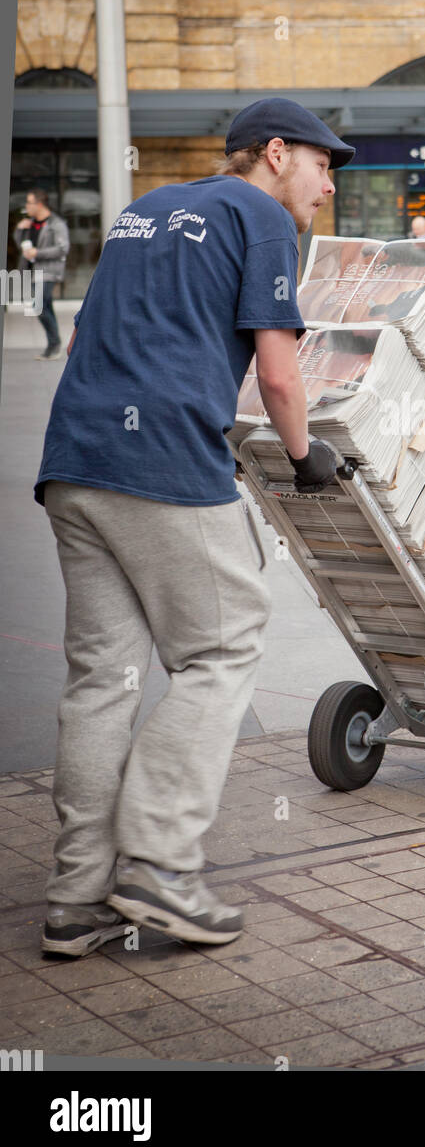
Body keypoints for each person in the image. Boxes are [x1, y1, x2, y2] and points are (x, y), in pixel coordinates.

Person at [34, 96, 355, 958]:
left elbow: (88, 341)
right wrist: (307, 455)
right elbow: (283, 378)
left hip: (74, 462)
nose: (328, 187)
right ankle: (162, 866)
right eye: (327, 167)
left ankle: (76, 901)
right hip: (165, 464)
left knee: (102, 680)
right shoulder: (260, 219)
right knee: (222, 648)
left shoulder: (141, 214)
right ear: (277, 154)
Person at [13, 188, 70, 360]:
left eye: (29, 203)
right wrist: (19, 229)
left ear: (39, 204)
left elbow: (62, 249)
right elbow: (21, 245)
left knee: (40, 306)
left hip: (48, 272)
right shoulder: (30, 223)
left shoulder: (56, 224)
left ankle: (55, 344)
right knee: (45, 307)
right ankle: (53, 346)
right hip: (33, 271)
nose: (26, 206)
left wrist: (38, 253)